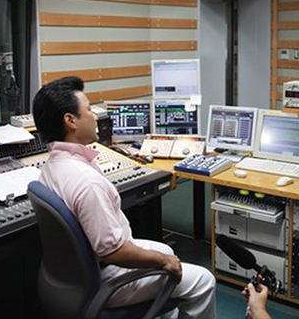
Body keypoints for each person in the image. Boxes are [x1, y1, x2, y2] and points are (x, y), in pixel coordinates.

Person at [32, 76, 216, 319]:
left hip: (75, 272)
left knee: (164, 249)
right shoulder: (87, 183)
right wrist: (162, 262)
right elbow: (114, 252)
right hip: (107, 277)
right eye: (89, 109)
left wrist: (162, 257)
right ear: (70, 120)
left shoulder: (52, 166)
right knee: (204, 281)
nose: (95, 116)